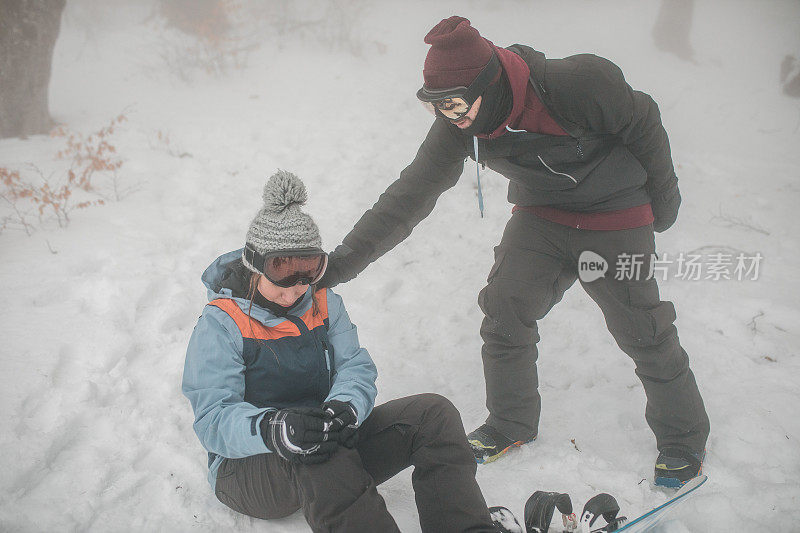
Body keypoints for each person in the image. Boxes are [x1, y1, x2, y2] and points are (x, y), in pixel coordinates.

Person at [317, 16, 710, 488]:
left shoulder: (576, 83)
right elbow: (411, 194)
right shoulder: (461, 126)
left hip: (615, 216)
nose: (450, 115)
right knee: (504, 306)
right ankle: (510, 423)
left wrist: (662, 209)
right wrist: (340, 264)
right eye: (436, 106)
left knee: (642, 328)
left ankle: (683, 440)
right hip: (542, 215)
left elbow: (643, 119)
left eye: (456, 102)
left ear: (488, 83)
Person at [181, 170, 508, 532]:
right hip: (248, 467)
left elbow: (355, 368)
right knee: (318, 449)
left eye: (307, 274)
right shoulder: (222, 323)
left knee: (433, 415)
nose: (294, 292)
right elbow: (212, 419)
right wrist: (273, 428)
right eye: (282, 275)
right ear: (256, 265)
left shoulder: (324, 304)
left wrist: (345, 408)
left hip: (322, 441)